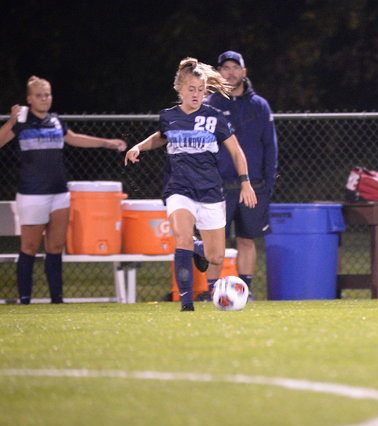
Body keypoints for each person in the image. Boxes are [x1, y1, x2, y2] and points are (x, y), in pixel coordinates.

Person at [125, 57, 257, 311]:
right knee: (182, 237)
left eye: (201, 90)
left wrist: (245, 183)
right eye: (191, 89)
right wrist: (139, 146)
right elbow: (161, 137)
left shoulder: (214, 117)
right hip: (179, 188)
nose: (196, 95)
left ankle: (199, 248)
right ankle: (187, 304)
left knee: (215, 257)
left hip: (210, 191)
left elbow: (236, 151)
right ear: (180, 89)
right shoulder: (169, 116)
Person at [0, 76, 127, 304]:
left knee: (56, 247)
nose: (44, 99)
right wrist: (11, 121)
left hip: (59, 193)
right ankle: (25, 300)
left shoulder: (55, 121)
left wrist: (106, 142)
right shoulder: (22, 122)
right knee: (29, 247)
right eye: (39, 95)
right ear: (29, 99)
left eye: (47, 94)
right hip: (31, 194)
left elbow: (74, 139)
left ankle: (57, 301)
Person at [202, 50, 278, 299]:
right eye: (225, 67)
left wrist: (267, 183)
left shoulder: (259, 105)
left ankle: (245, 290)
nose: (231, 72)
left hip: (252, 186)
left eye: (235, 67)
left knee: (247, 239)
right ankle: (212, 290)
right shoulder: (210, 104)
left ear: (244, 72)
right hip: (218, 186)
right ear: (218, 73)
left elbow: (270, 146)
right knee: (215, 241)